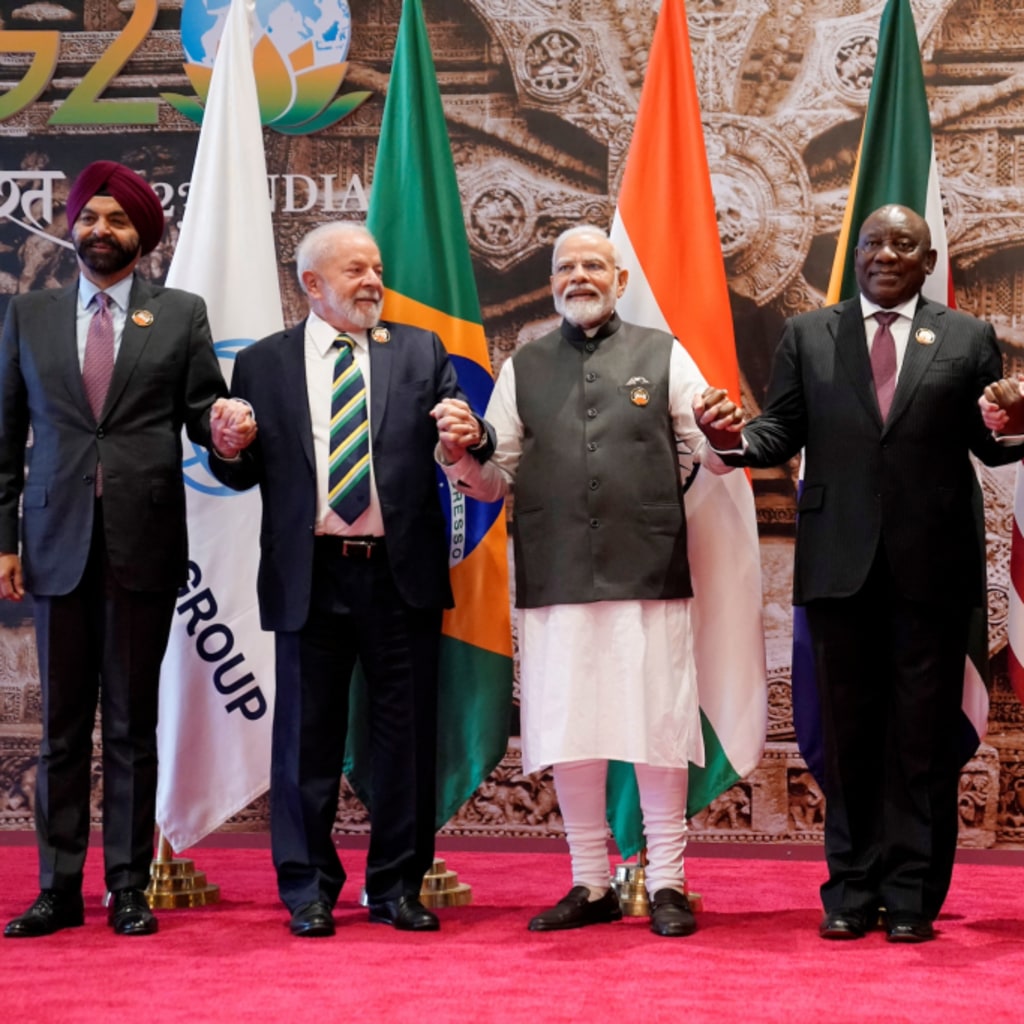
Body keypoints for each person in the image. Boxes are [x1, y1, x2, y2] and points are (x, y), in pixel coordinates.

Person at [694, 203, 1019, 943]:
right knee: (847, 739)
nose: (885, 254)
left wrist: (1018, 422)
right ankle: (849, 888)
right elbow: (779, 431)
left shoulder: (967, 337)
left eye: (903, 244)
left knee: (920, 739)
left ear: (928, 262)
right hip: (838, 565)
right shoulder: (809, 334)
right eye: (873, 242)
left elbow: (990, 441)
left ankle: (910, 897)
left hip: (933, 569)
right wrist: (729, 438)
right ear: (857, 255)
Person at [434, 224, 731, 938]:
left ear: (620, 280)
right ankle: (590, 881)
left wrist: (723, 433)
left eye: (593, 265)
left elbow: (715, 454)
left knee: (658, 727)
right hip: (556, 572)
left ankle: (667, 881)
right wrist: (458, 454)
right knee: (571, 727)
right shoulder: (524, 366)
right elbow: (493, 479)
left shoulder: (663, 354)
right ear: (551, 282)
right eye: (565, 267)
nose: (578, 277)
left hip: (647, 570)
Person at [208, 221, 492, 937]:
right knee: (305, 742)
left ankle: (396, 887)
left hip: (398, 576)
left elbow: (463, 437)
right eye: (356, 270)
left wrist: (467, 435)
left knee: (406, 741)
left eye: (377, 269)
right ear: (312, 284)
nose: (373, 282)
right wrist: (228, 448)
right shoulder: (263, 363)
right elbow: (239, 471)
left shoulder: (420, 349)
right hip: (311, 575)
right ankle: (307, 890)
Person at [0, 160, 254, 938]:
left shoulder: (178, 314)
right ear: (71, 225)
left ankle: (128, 888)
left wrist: (228, 438)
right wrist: (4, 540)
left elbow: (205, 415)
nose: (100, 230)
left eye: (117, 219)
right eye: (89, 217)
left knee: (132, 727)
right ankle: (58, 889)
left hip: (143, 545)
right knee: (61, 731)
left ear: (144, 234)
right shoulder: (29, 316)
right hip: (54, 544)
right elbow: (5, 440)